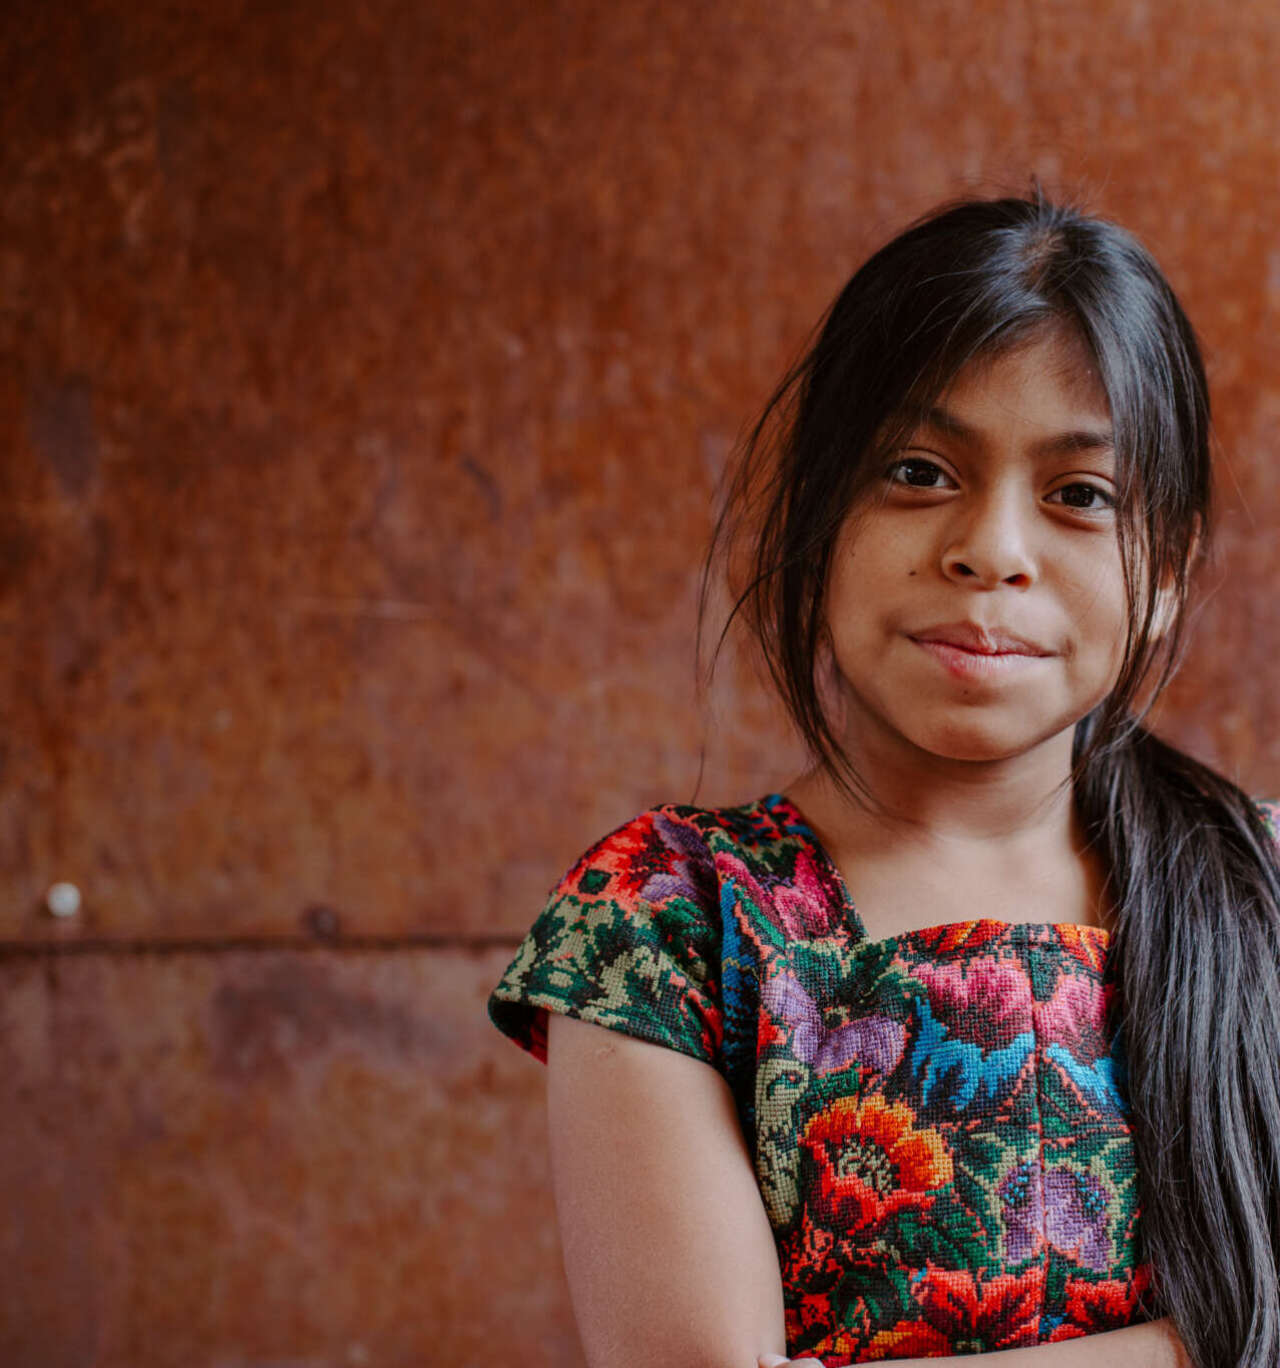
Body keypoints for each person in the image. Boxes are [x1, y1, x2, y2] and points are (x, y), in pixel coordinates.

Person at [486, 190, 1280, 1367]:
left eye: (1079, 495)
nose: (989, 550)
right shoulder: (668, 918)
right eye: (917, 470)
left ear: (1163, 570)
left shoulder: (1259, 888)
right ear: (817, 516)